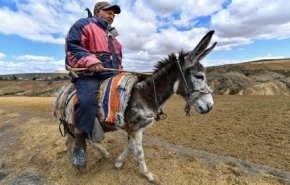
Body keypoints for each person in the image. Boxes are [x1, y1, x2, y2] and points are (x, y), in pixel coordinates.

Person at [65, 1, 122, 168]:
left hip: (110, 72)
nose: (111, 16)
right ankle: (80, 142)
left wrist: (121, 72)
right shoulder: (83, 24)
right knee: (87, 100)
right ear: (98, 11)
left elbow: (118, 60)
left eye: (113, 14)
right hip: (88, 74)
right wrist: (90, 60)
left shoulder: (112, 36)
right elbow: (73, 45)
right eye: (108, 12)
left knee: (132, 91)